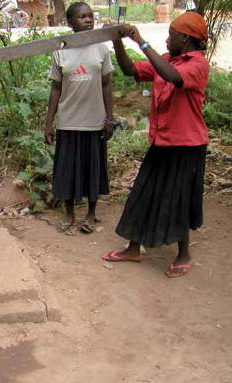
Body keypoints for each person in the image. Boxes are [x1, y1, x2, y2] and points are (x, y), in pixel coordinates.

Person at [103, 12, 209, 278]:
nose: (167, 38)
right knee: (143, 192)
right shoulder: (166, 59)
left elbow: (174, 77)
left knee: (180, 199)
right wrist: (118, 43)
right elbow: (130, 70)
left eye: (171, 34)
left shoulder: (197, 65)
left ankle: (184, 253)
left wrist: (142, 42)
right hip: (162, 141)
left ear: (184, 39)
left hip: (187, 145)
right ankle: (134, 248)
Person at [45, 2, 115, 235]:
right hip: (68, 120)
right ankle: (69, 213)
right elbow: (56, 89)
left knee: (92, 168)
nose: (88, 20)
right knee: (67, 169)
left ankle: (91, 213)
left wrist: (110, 118)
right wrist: (49, 123)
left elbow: (106, 84)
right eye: (82, 17)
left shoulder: (101, 49)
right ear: (70, 22)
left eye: (90, 16)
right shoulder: (61, 51)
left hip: (94, 120)